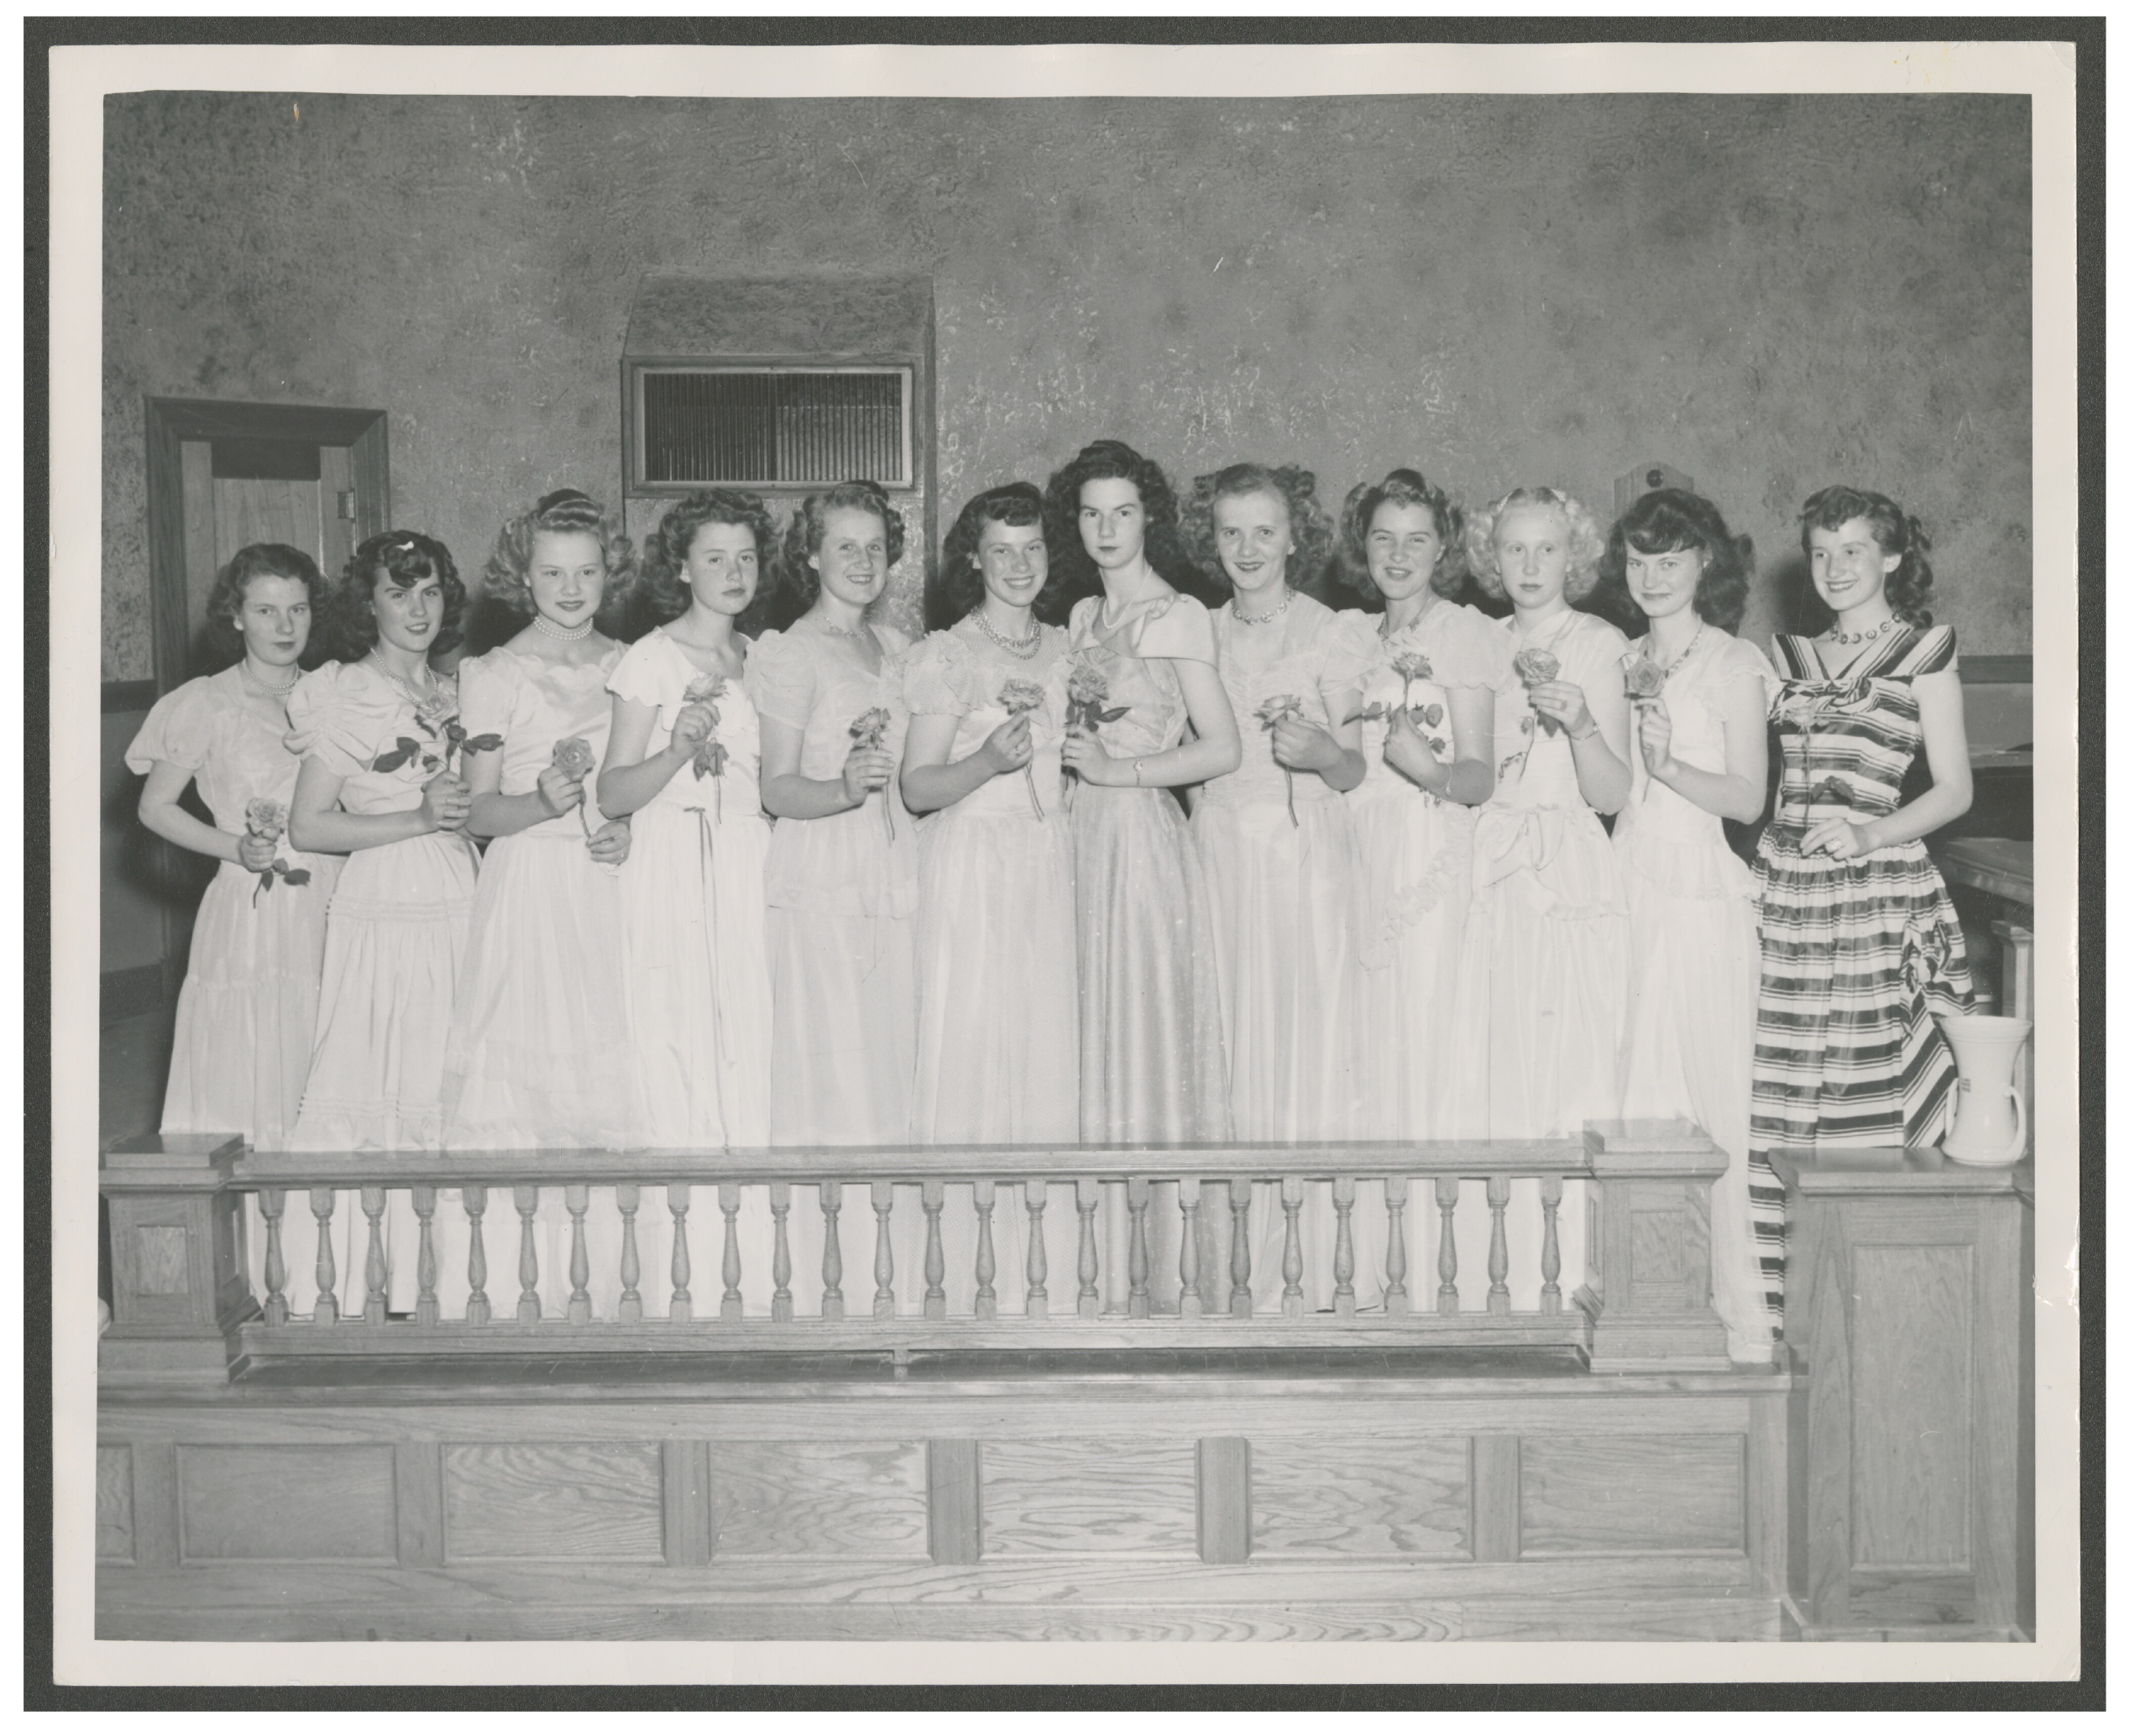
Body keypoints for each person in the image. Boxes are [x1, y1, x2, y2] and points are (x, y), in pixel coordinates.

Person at [1750, 487, 1975, 1326]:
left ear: (1888, 557)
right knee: (1775, 1097)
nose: (1833, 567)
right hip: (1787, 898)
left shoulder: (1925, 650)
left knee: (1859, 1097)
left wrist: (1873, 834)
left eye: (1852, 550)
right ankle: (1781, 1314)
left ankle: (1872, 1312)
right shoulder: (1782, 655)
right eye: (1819, 551)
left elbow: (1953, 790)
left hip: (1875, 897)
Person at [1596, 489, 1775, 1362]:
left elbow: (1747, 797)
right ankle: (1641, 1311)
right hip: (1624, 878)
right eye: (1636, 559)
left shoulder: (1734, 662)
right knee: (1627, 1092)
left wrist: (1670, 767)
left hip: (1698, 884)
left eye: (1669, 558)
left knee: (1706, 1102)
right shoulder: (1619, 656)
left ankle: (1729, 1317)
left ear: (1705, 563)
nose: (1652, 576)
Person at [1447, 487, 1631, 1310]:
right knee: (1486, 1058)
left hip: (1563, 859)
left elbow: (1611, 792)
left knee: (1563, 1062)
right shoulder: (1473, 639)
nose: (1527, 566)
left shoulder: (1598, 643)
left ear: (1573, 557)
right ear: (1491, 557)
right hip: (1487, 857)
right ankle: (1491, 1270)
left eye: (1545, 550)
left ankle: (1561, 1274)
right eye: (1511, 549)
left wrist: (1582, 722)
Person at [283, 532, 477, 1314]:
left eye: (428, 591)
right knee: (380, 1073)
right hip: (385, 896)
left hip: (458, 893)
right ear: (368, 605)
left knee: (446, 1073)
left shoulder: (455, 690)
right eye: (399, 594)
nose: (417, 609)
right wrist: (417, 818)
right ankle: (352, 1282)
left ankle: (447, 1276)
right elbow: (308, 826)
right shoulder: (346, 694)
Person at [1050, 440, 1241, 1149]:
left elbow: (1222, 747)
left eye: (1122, 512)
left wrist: (1115, 772)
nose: (1106, 529)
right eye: (1092, 513)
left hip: (1139, 837)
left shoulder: (1178, 614)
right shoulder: (1079, 619)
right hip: (1080, 833)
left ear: (1146, 520)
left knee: (1139, 1016)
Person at [128, 544, 342, 1155]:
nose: (284, 626)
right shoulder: (205, 702)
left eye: (297, 610)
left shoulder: (335, 695)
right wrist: (234, 848)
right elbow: (153, 808)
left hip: (333, 894)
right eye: (266, 610)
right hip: (252, 903)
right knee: (251, 1055)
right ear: (237, 616)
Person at [443, 490, 638, 1155]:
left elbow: (638, 785)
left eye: (586, 570)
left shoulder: (631, 664)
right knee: (533, 1088)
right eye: (552, 572)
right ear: (523, 576)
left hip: (614, 883)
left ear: (608, 571)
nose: (571, 587)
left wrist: (632, 826)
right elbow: (476, 811)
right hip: (530, 885)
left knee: (616, 1079)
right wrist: (537, 805)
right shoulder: (494, 674)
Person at [1181, 462, 1368, 1145]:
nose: (1248, 548)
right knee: (1226, 1026)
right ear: (1212, 541)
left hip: (1303, 854)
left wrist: (1323, 754)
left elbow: (1353, 769)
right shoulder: (1195, 630)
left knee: (1304, 1028)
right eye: (1231, 532)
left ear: (1296, 538)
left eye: (1265, 530)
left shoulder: (1332, 631)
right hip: (1220, 852)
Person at [900, 482, 1079, 1146]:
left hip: (1050, 857)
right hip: (974, 862)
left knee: (1041, 1037)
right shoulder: (947, 653)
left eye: (1031, 548)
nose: (1018, 565)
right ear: (973, 559)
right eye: (1000, 551)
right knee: (978, 1032)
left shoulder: (1068, 647)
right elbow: (917, 788)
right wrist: (985, 763)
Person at [599, 489, 776, 1154]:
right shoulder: (651, 657)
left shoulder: (762, 658)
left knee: (748, 1035)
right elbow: (612, 792)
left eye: (746, 558)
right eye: (715, 559)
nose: (734, 575)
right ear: (681, 569)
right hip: (674, 864)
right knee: (679, 1043)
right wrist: (676, 749)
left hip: (748, 859)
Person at [1333, 471, 1503, 1143]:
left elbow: (1479, 777)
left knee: (1424, 1026)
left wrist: (1428, 770)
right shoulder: (1348, 637)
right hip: (1354, 847)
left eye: (1416, 539)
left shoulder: (1463, 633)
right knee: (1361, 1038)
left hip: (1427, 853)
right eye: (1383, 537)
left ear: (1442, 550)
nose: (1397, 555)